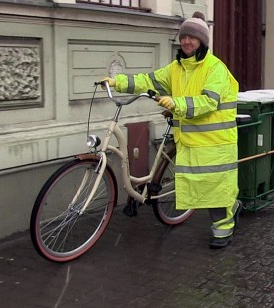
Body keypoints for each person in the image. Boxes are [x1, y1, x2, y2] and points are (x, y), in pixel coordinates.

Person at [101, 12, 241, 249]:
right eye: (184, 36)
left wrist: (176, 104)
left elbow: (209, 102)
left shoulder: (215, 68)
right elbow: (149, 80)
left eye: (192, 38)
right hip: (188, 138)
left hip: (215, 143)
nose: (187, 41)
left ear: (202, 41)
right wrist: (119, 82)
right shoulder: (176, 68)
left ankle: (223, 228)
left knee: (216, 189)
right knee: (196, 186)